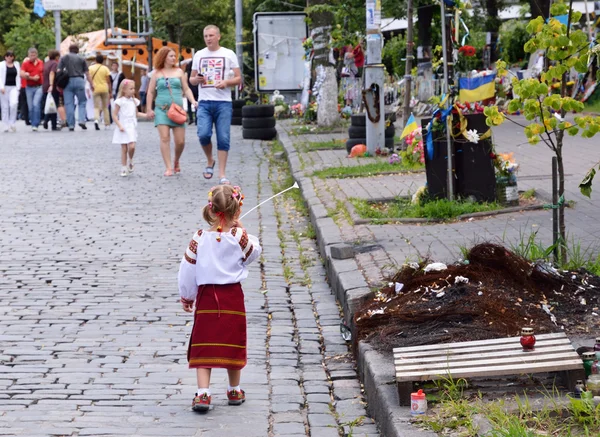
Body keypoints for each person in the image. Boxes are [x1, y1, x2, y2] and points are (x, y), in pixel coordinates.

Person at [177, 184, 262, 413]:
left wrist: (187, 296)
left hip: (206, 298)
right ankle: (234, 389)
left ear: (212, 210)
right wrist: (244, 231)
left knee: (203, 345)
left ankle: (203, 394)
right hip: (232, 297)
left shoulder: (199, 238)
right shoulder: (239, 236)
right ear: (236, 212)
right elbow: (253, 253)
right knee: (233, 343)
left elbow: (188, 268)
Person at [190, 25, 242, 185]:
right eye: (206, 36)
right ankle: (210, 160)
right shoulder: (199, 55)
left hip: (223, 102)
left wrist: (226, 82)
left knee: (223, 137)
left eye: (211, 35)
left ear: (218, 36)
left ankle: (222, 174)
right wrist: (196, 80)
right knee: (203, 134)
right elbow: (191, 79)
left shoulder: (228, 54)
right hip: (204, 101)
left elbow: (239, 78)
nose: (208, 38)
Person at [146, 47, 197, 176]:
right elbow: (150, 92)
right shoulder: (156, 73)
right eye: (171, 56)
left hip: (177, 111)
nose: (174, 58)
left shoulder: (179, 72)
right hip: (162, 110)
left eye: (175, 56)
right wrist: (148, 109)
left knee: (180, 141)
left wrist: (193, 101)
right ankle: (168, 167)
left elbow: (186, 89)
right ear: (163, 57)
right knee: (164, 138)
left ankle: (176, 160)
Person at [112, 79, 147, 177]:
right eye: (130, 89)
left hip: (131, 126)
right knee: (124, 148)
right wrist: (119, 125)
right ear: (124, 90)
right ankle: (123, 167)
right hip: (123, 125)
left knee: (132, 146)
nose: (133, 91)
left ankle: (131, 160)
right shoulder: (120, 101)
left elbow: (136, 113)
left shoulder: (134, 101)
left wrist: (146, 115)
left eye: (133, 88)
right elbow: (114, 115)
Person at [58, 44, 94, 131]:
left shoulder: (64, 58)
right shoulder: (82, 59)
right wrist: (92, 84)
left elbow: (59, 71)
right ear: (77, 50)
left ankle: (71, 124)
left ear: (69, 50)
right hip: (79, 81)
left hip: (67, 81)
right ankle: (82, 120)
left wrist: (58, 83)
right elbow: (87, 73)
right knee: (82, 102)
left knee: (69, 103)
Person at [20, 48, 44, 131]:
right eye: (31, 55)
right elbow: (21, 74)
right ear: (28, 55)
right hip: (29, 87)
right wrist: (31, 77)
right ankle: (33, 121)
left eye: (34, 55)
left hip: (39, 86)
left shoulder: (41, 62)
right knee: (30, 107)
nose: (32, 57)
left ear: (37, 55)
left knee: (36, 104)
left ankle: (35, 124)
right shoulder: (25, 64)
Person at [89, 54, 112, 130]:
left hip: (95, 88)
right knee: (105, 107)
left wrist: (91, 85)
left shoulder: (91, 68)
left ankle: (96, 120)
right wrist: (110, 91)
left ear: (95, 60)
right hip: (104, 88)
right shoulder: (105, 68)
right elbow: (108, 81)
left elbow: (88, 78)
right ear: (103, 61)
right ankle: (107, 123)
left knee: (96, 107)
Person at [0, 50, 21, 132]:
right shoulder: (1, 65)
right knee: (4, 106)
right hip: (4, 87)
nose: (9, 57)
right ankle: (5, 124)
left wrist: (18, 87)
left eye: (11, 56)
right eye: (7, 56)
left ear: (13, 57)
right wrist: (1, 87)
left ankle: (12, 122)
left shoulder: (16, 64)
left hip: (14, 87)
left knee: (14, 104)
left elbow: (18, 76)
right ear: (5, 57)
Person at [41, 50, 60, 131]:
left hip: (45, 86)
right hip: (52, 87)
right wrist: (52, 85)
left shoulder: (46, 63)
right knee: (53, 106)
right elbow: (52, 73)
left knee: (49, 105)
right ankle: (49, 122)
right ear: (56, 56)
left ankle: (52, 124)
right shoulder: (54, 64)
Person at [184, 60, 198, 125]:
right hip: (196, 89)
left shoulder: (187, 73)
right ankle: (197, 119)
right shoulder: (196, 73)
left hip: (189, 89)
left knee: (189, 105)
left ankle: (191, 118)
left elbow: (185, 82)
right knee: (196, 104)